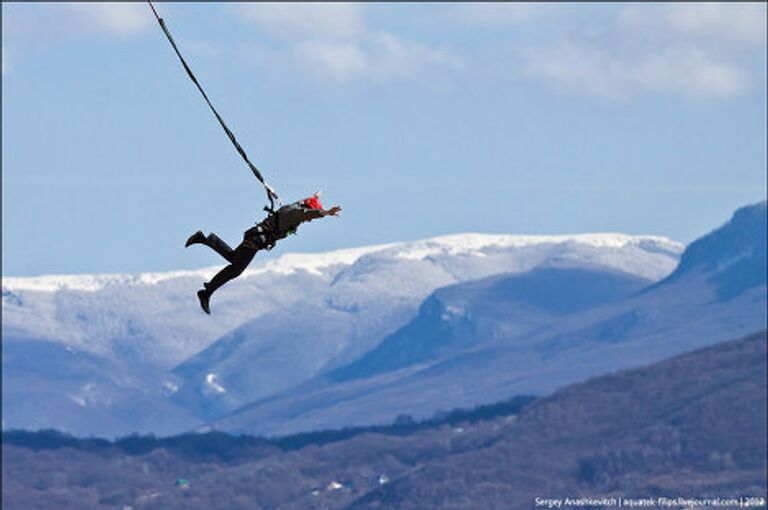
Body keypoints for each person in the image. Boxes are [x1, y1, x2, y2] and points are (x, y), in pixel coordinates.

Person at [186, 192, 341, 314]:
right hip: (256, 240)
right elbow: (307, 213)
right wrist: (325, 213)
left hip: (255, 237)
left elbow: (306, 208)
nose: (310, 221)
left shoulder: (294, 209)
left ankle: (204, 240)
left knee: (234, 260)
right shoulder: (296, 212)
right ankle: (206, 292)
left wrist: (314, 198)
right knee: (236, 269)